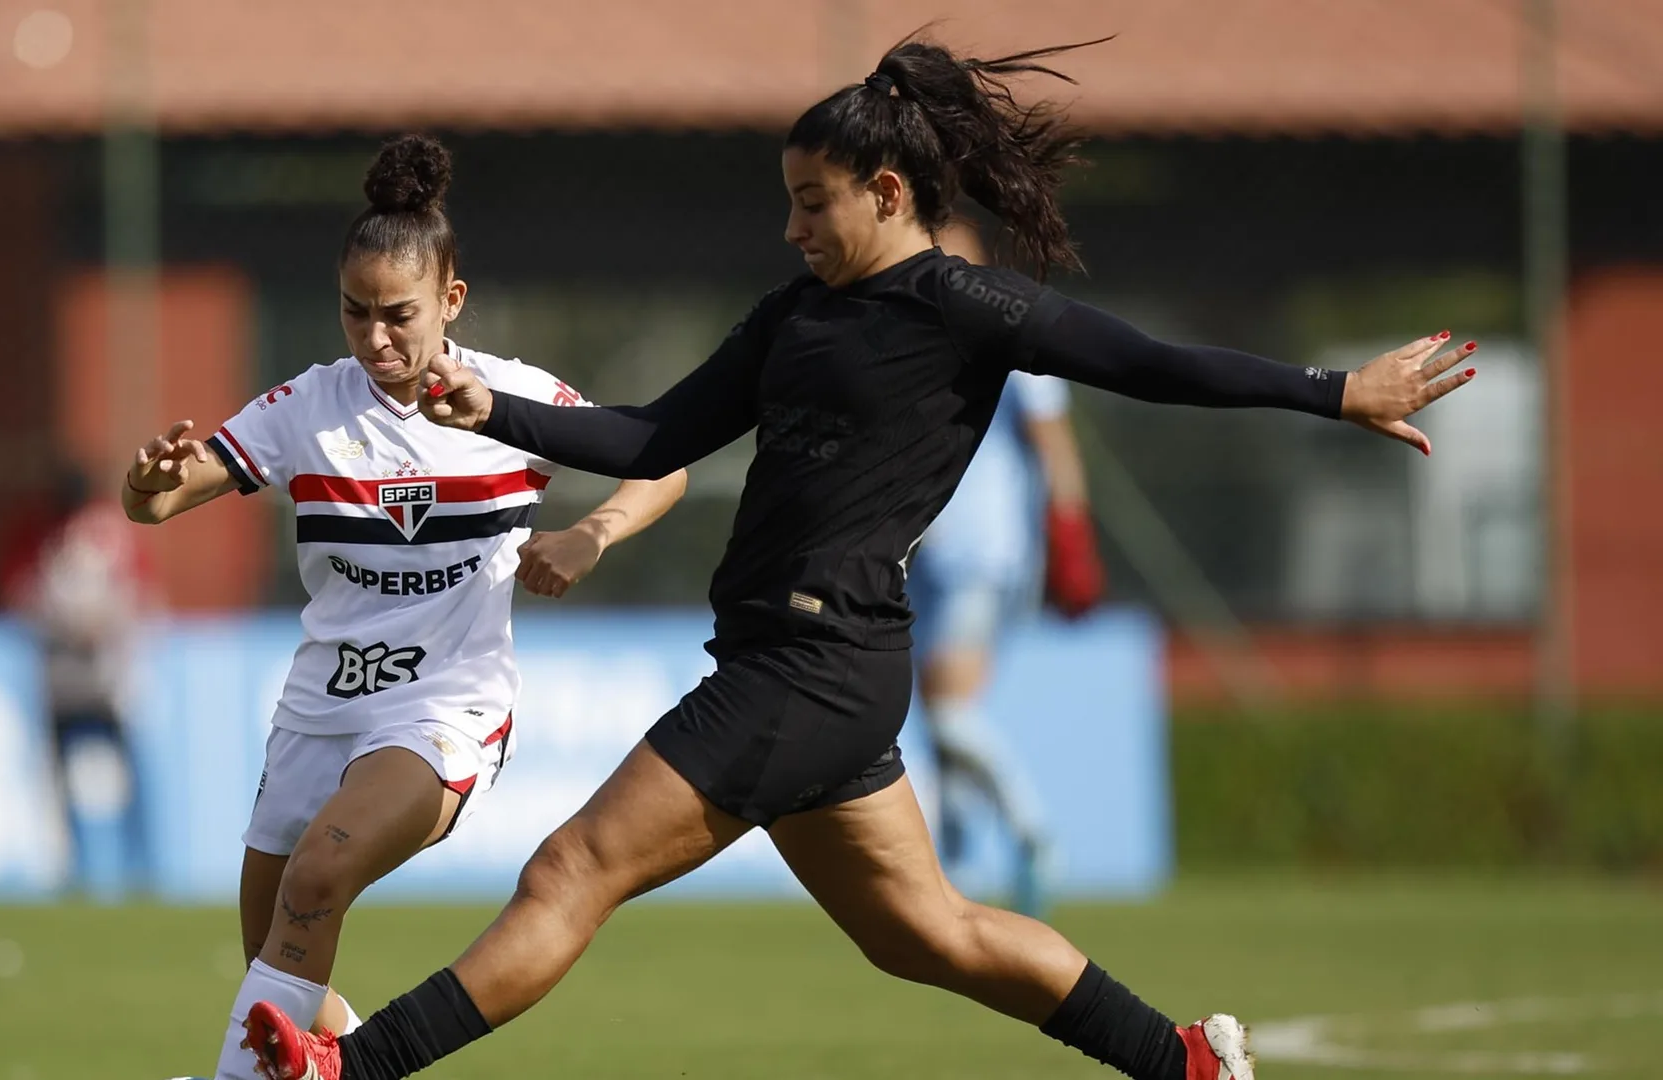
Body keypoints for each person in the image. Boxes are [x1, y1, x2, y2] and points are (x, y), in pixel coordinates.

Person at [248, 37, 1476, 1080]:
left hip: (811, 665)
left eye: (810, 199)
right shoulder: (794, 312)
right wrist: (492, 409)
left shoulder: (963, 306)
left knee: (571, 868)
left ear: (887, 191)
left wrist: (1332, 392)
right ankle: (1190, 1061)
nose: (790, 225)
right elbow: (654, 434)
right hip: (818, 661)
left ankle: (344, 1066)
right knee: (926, 934)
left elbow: (1146, 361)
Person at [119, 134, 687, 1080]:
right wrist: (148, 484)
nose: (374, 338)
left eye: (398, 315)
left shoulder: (512, 400)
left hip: (442, 714)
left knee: (319, 876)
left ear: (451, 303)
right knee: (277, 957)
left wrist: (591, 534)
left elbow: (660, 462)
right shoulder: (308, 404)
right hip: (317, 710)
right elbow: (164, 500)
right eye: (354, 312)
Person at [908, 219, 1106, 917]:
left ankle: (1033, 833)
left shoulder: (1008, 334)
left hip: (984, 552)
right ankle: (956, 872)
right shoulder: (924, 338)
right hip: (934, 555)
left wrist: (1069, 535)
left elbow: (1054, 441)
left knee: (948, 712)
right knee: (940, 721)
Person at [0, 461, 157, 898]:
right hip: (63, 672)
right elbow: (19, 595)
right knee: (60, 775)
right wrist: (70, 624)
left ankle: (140, 865)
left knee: (131, 773)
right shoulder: (38, 533)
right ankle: (72, 867)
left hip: (108, 674)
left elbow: (142, 597)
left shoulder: (109, 530)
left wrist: (105, 626)